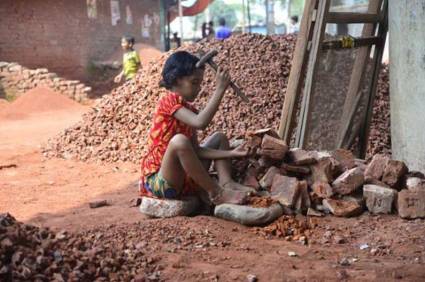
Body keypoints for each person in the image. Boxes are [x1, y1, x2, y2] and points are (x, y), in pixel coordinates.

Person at [139, 51, 253, 205]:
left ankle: (226, 182)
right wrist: (220, 89)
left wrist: (230, 153)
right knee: (179, 141)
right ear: (178, 80)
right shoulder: (168, 101)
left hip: (185, 180)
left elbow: (196, 150)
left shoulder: (189, 110)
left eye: (200, 83)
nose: (199, 88)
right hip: (163, 183)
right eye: (194, 82)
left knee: (219, 137)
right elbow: (200, 122)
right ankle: (216, 193)